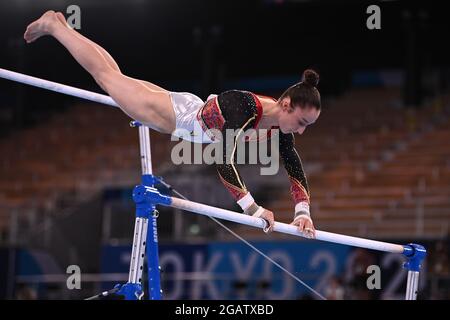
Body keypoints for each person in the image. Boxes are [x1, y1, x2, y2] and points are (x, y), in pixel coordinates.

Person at [24, 11, 321, 238]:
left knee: (113, 74)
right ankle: (55, 27)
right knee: (106, 76)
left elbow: (293, 165)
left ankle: (62, 25)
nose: (302, 130)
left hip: (184, 110)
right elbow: (222, 160)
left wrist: (302, 212)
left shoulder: (278, 127)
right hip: (172, 114)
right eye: (302, 121)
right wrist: (252, 208)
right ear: (286, 105)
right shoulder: (245, 106)